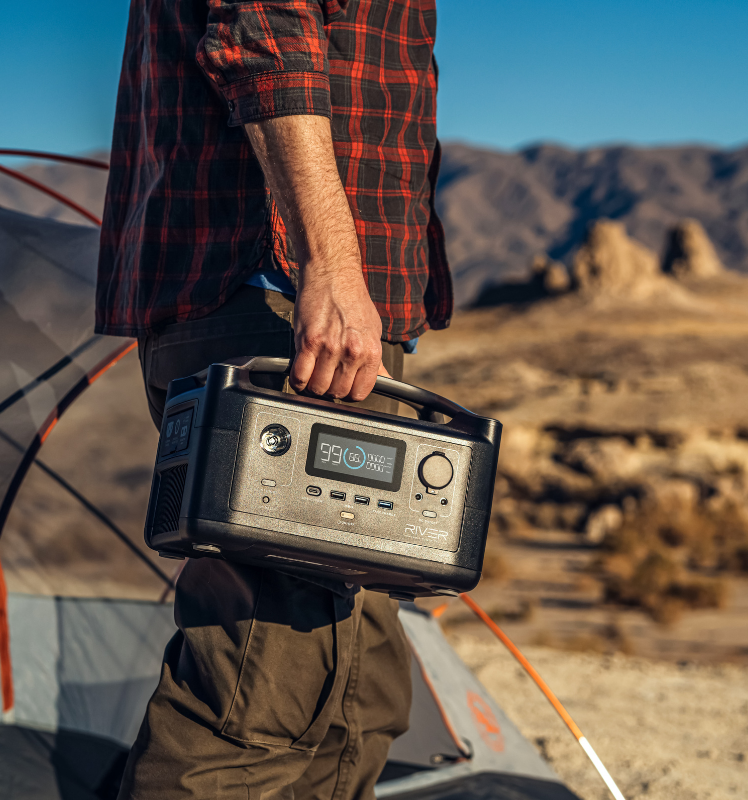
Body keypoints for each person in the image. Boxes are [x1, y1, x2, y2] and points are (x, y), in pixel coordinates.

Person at [95, 1, 453, 798]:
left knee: (353, 684)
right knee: (258, 697)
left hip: (314, 307)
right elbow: (266, 33)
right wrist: (329, 263)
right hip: (275, 299)